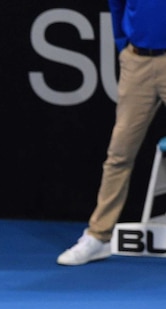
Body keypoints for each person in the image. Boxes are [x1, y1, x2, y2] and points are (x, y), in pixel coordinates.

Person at [57, 0, 166, 265]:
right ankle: (99, 237)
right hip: (136, 62)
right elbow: (117, 6)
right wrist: (122, 46)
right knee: (119, 154)